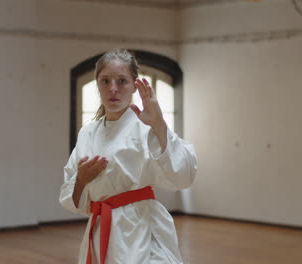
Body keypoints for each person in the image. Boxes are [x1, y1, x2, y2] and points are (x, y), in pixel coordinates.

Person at [59, 48, 198, 264]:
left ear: (135, 84)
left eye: (122, 81)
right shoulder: (88, 132)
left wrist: (159, 124)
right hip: (100, 230)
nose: (113, 89)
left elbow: (183, 175)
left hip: (141, 229)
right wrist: (80, 180)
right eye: (105, 81)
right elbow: (71, 197)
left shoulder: (146, 126)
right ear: (97, 85)